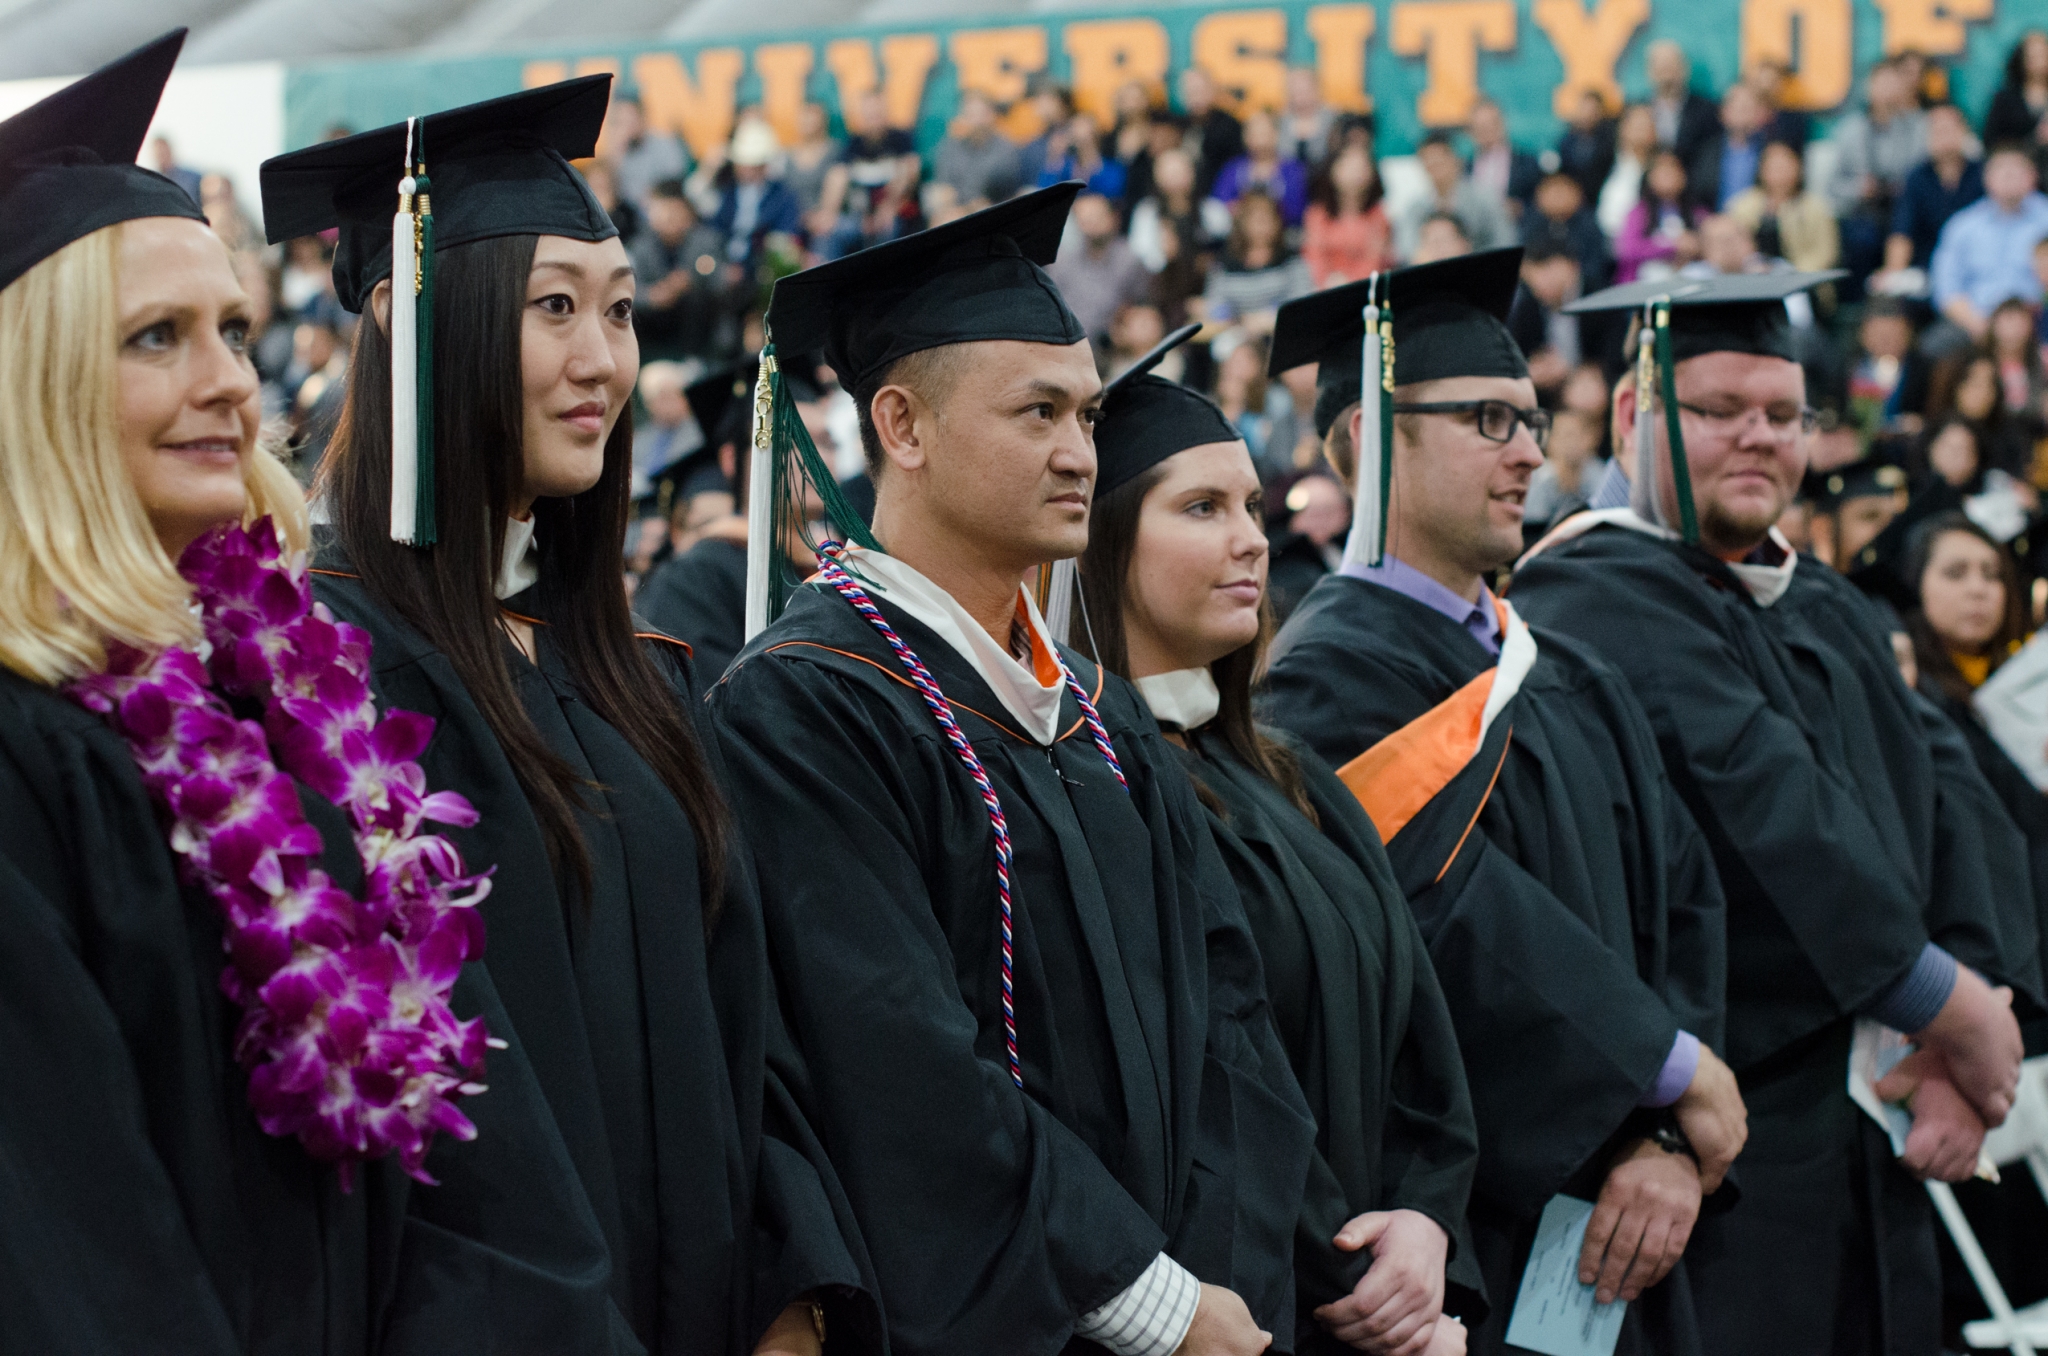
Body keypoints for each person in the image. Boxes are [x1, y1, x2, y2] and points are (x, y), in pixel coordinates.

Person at [0, 33, 636, 1351]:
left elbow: (486, 1159)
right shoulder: (26, 754)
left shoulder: (293, 700)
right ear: (34, 386)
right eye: (157, 337)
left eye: (232, 328)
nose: (229, 380)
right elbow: (78, 1256)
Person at [261, 76, 878, 1355]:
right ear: (407, 321)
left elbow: (749, 1034)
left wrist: (795, 1292)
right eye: (553, 309)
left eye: (618, 312)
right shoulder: (321, 679)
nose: (604, 361)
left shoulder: (631, 678)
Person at [707, 184, 1316, 1355]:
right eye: (1036, 413)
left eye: (1085, 416)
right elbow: (896, 1066)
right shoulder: (805, 707)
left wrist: (1214, 1287)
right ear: (902, 426)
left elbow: (1227, 1022)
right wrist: (1153, 1303)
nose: (1078, 452)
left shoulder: (1101, 715)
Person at [1515, 270, 2040, 1354]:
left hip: (1881, 1121)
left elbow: (1952, 787)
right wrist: (1947, 1007)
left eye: (1783, 414)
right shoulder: (1585, 593)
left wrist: (1976, 1015)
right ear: (1631, 414)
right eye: (1715, 411)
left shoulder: (1820, 596)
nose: (1757, 438)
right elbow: (1765, 805)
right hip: (1726, 1145)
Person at [1263, 251, 1742, 1356]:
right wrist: (1664, 1071)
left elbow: (1683, 893)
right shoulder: (1323, 684)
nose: (1532, 450)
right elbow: (1440, 925)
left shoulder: (1561, 669)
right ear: (1363, 442)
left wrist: (1667, 1137)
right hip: (1483, 1223)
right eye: (1487, 418)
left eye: (1529, 420)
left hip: (1639, 1220)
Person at [1078, 335, 1482, 1356]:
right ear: (1097, 544)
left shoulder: (1293, 778)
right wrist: (1365, 1284)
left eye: (1252, 508)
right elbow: (1224, 1091)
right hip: (1239, 1311)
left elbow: (1422, 1047)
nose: (1252, 540)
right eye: (1200, 509)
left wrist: (1425, 1229)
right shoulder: (1091, 793)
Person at [1930, 144, 2048, 345]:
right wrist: (1978, 324)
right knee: (1934, 347)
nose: (2009, 176)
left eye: (2017, 170)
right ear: (1987, 178)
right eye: (2002, 170)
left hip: (2038, 317)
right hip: (1976, 321)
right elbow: (1945, 288)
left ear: (2032, 176)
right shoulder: (1962, 225)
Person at [1827, 59, 1928, 281]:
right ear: (1868, 88)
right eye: (1881, 84)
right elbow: (1833, 187)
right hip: (1865, 211)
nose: (1888, 91)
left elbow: (1925, 174)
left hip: (1906, 208)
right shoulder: (1851, 130)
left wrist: (1905, 185)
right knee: (1859, 238)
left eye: (1894, 84)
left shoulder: (1919, 127)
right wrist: (1858, 189)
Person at [630, 178, 739, 360]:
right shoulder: (640, 247)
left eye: (675, 212)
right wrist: (654, 295)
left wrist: (692, 280)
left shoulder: (706, 240)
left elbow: (723, 279)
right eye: (664, 212)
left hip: (697, 323)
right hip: (654, 324)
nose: (670, 219)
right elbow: (629, 291)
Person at [1879, 101, 1985, 285]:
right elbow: (1902, 231)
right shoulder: (1916, 178)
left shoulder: (1984, 174)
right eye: (1936, 130)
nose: (1942, 136)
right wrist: (1892, 273)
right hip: (1927, 268)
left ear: (1964, 132)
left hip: (1976, 266)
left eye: (1948, 129)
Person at [814, 91, 921, 260]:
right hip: (858, 217)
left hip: (894, 214)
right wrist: (828, 213)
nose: (874, 119)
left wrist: (889, 207)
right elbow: (838, 176)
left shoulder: (901, 139)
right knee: (829, 230)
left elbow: (910, 172)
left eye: (877, 113)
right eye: (869, 114)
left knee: (888, 227)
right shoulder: (853, 143)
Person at [1202, 190, 1315, 335]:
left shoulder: (1291, 260)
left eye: (1266, 219)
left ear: (1278, 222)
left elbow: (1303, 303)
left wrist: (1268, 319)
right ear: (1242, 222)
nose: (1261, 226)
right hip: (1236, 333)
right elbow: (1215, 306)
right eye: (1255, 219)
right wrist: (1241, 321)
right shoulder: (1224, 265)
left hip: (1282, 331)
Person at [1047, 189, 1153, 342]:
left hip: (1115, 345)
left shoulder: (1130, 261)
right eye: (1085, 219)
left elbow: (1142, 306)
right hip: (1067, 344)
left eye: (1097, 217)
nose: (1091, 224)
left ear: (1113, 217)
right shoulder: (1062, 262)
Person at [1727, 141, 1841, 275]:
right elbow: (1732, 246)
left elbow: (1826, 253)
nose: (1780, 173)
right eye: (1774, 167)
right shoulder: (1743, 204)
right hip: (1752, 277)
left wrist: (1792, 273)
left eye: (1785, 167)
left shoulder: (1815, 207)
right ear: (1762, 170)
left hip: (1801, 280)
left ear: (1798, 169)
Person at [1395, 134, 1511, 261]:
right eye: (1429, 163)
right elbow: (1406, 249)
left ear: (1456, 160)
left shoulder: (1484, 197)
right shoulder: (1416, 207)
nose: (1435, 168)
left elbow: (1505, 240)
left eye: (1439, 161)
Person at [710, 120, 804, 275]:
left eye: (752, 164)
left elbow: (786, 235)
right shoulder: (727, 191)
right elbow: (710, 225)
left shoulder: (782, 197)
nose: (746, 170)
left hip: (761, 267)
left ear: (764, 164)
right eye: (742, 163)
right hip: (723, 264)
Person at [1302, 144, 1392, 288]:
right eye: (1349, 166)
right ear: (1333, 170)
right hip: (1324, 290)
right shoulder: (1317, 214)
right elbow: (1314, 256)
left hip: (1366, 289)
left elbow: (1375, 258)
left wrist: (1350, 285)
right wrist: (1326, 283)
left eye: (1362, 167)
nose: (1356, 172)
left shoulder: (1378, 216)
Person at [1614, 148, 1707, 284]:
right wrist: (1672, 245)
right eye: (1662, 171)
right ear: (1650, 177)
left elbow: (1709, 244)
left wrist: (1695, 245)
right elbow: (1627, 249)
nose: (1668, 175)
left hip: (1688, 283)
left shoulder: (1697, 213)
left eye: (1673, 169)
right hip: (1643, 286)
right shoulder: (1638, 213)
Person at [1210, 109, 1311, 229]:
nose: (1259, 140)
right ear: (1245, 137)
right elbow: (1219, 204)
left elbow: (1298, 208)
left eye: (1264, 133)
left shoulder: (1293, 170)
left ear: (1276, 134)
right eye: (1254, 134)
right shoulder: (1233, 169)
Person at [932, 89, 1024, 210]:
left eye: (979, 115)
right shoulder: (949, 148)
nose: (974, 121)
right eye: (969, 115)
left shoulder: (1006, 150)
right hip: (956, 211)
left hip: (992, 211)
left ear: (991, 115)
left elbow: (1005, 192)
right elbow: (944, 189)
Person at [600, 91, 688, 212]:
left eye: (630, 119)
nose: (627, 127)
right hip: (628, 216)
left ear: (642, 118)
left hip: (660, 211)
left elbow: (674, 183)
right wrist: (616, 155)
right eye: (621, 121)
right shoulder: (617, 153)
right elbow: (609, 194)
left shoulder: (665, 144)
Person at [1644, 40, 1722, 168]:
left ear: (1685, 69)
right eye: (1662, 67)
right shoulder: (1638, 110)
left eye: (1671, 67)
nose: (1667, 74)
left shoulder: (1706, 111)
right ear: (1650, 71)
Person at [1985, 31, 2048, 180]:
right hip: (2018, 176)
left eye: (2043, 54)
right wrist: (2035, 139)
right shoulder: (2005, 100)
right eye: (2033, 55)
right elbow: (1992, 142)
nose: (2039, 60)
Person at [1463, 98, 1541, 220]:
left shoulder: (1527, 162)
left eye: (1492, 123)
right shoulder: (1464, 167)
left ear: (1503, 123)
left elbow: (1540, 202)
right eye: (1480, 126)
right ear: (1470, 131)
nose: (1487, 131)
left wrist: (1520, 208)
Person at [1178, 66, 1246, 199]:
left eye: (1200, 91)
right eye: (1191, 91)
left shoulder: (1230, 126)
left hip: (1218, 197)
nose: (1196, 97)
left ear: (1213, 90)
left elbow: (1236, 169)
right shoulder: (1177, 126)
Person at [1597, 103, 1659, 241]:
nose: (1640, 130)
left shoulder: (1660, 168)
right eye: (1635, 124)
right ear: (1622, 128)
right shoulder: (1605, 161)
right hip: (1604, 240)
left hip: (1643, 241)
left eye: (1646, 125)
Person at [1555, 90, 1617, 206]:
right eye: (1584, 108)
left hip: (1600, 197)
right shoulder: (1566, 141)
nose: (1588, 114)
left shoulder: (1610, 141)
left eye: (1593, 110)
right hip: (1574, 199)